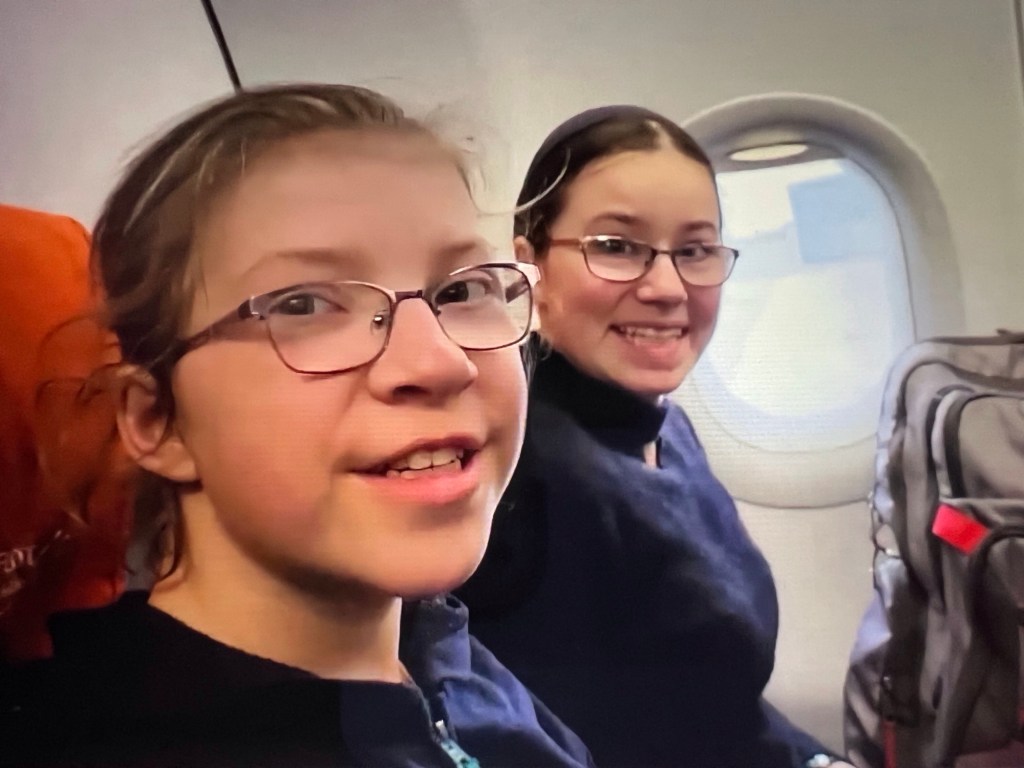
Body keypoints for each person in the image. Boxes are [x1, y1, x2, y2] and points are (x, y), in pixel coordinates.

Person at [0, 83, 594, 768]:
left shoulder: (440, 649)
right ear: (157, 420)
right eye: (304, 304)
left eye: (462, 290)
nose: (439, 361)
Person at [457, 106, 848, 768]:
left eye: (694, 251)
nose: (667, 288)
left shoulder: (665, 429)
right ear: (531, 266)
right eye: (616, 247)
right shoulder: (518, 474)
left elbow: (716, 711)